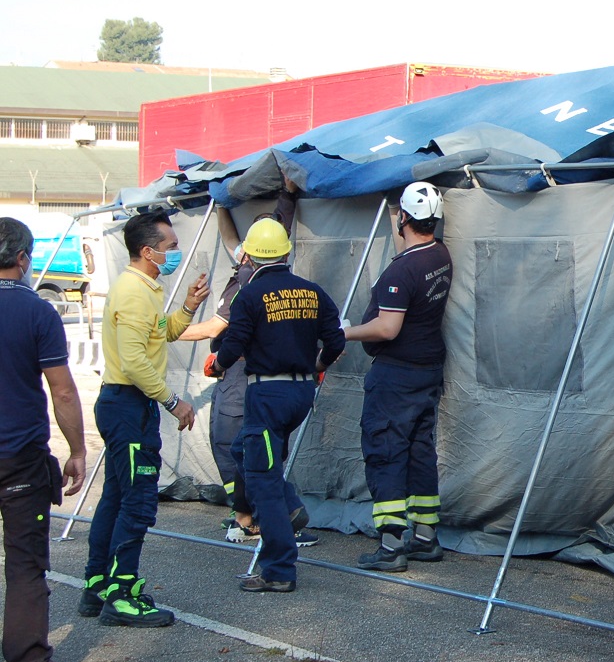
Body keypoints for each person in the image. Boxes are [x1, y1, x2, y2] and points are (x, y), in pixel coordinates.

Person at [80, 211, 209, 627]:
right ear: (147, 251)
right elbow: (135, 361)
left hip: (127, 404)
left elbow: (163, 333)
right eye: (171, 247)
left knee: (116, 498)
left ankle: (97, 584)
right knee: (136, 503)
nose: (176, 253)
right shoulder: (134, 292)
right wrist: (174, 402)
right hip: (127, 405)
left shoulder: (144, 288)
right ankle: (121, 595)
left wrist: (188, 307)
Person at [210, 219, 345, 593]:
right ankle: (290, 505)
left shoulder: (249, 296)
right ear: (287, 252)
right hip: (300, 395)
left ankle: (279, 569)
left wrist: (217, 365)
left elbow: (233, 344)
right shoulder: (313, 292)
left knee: (263, 480)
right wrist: (315, 366)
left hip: (265, 397)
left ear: (250, 256)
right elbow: (335, 342)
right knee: (245, 452)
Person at [179, 181, 314, 546]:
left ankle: (258, 516)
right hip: (248, 373)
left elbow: (219, 327)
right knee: (241, 445)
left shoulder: (250, 284)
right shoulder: (248, 265)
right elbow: (230, 239)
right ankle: (248, 511)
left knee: (236, 443)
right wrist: (221, 200)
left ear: (257, 252)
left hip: (240, 369)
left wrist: (169, 331)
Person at [0, 218, 98, 662]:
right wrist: (78, 450)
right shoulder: (37, 312)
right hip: (18, 455)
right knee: (23, 563)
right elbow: (62, 390)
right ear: (23, 259)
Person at [344, 182, 452, 572]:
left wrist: (346, 331)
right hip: (428, 370)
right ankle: (425, 536)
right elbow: (409, 241)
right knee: (420, 451)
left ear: (405, 219)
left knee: (386, 450)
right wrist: (398, 210)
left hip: (396, 375)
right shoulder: (439, 255)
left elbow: (387, 329)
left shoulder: (403, 269)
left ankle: (391, 544)